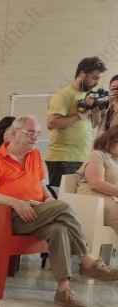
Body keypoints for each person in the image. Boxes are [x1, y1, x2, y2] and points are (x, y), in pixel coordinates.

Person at [0, 115, 118, 307]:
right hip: (9, 216)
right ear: (14, 133)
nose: (36, 137)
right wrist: (16, 202)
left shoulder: (35, 155)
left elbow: (41, 186)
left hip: (37, 211)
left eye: (38, 133)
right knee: (64, 207)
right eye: (30, 133)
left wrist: (49, 199)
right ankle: (86, 258)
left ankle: (63, 291)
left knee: (59, 229)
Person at [46, 56, 108, 187]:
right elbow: (51, 123)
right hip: (62, 159)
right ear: (82, 74)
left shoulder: (87, 95)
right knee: (60, 197)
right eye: (94, 78)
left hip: (82, 158)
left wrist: (95, 112)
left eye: (98, 79)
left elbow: (94, 124)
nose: (96, 83)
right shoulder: (64, 95)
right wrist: (80, 115)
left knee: (75, 197)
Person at [76, 124, 118, 234]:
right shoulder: (97, 154)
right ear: (112, 140)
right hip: (94, 198)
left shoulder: (116, 159)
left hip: (111, 197)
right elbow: (96, 184)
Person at [92, 74, 118, 142]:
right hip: (100, 144)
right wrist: (107, 101)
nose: (116, 91)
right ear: (109, 87)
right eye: (114, 88)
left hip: (114, 145)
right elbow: (94, 124)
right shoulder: (105, 104)